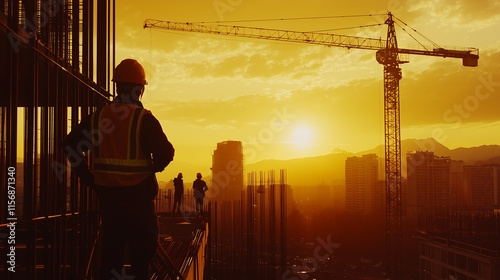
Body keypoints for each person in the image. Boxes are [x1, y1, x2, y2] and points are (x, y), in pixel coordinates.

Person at [62, 59, 174, 280]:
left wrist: (86, 176)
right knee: (141, 263)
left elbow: (70, 145)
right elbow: (167, 153)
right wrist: (152, 169)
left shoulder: (99, 118)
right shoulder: (144, 120)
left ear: (117, 86)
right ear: (140, 89)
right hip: (139, 203)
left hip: (111, 204)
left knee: (111, 262)